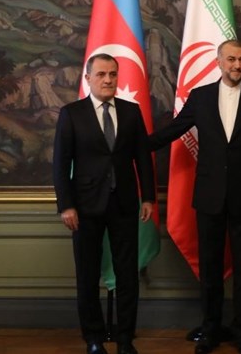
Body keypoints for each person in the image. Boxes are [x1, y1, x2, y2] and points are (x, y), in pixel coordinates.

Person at [149, 39, 241, 354]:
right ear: (219, 62)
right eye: (231, 59)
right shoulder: (201, 96)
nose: (237, 65)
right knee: (210, 267)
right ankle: (210, 329)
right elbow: (174, 129)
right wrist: (135, 143)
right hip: (209, 196)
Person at [53, 53, 155, 354]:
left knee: (127, 275)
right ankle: (94, 339)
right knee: (87, 276)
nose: (108, 80)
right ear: (88, 78)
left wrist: (148, 197)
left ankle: (125, 339)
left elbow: (143, 158)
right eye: (101, 74)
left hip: (125, 203)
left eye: (113, 74)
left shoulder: (131, 112)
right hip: (84, 208)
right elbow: (60, 164)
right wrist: (66, 206)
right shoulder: (71, 114)